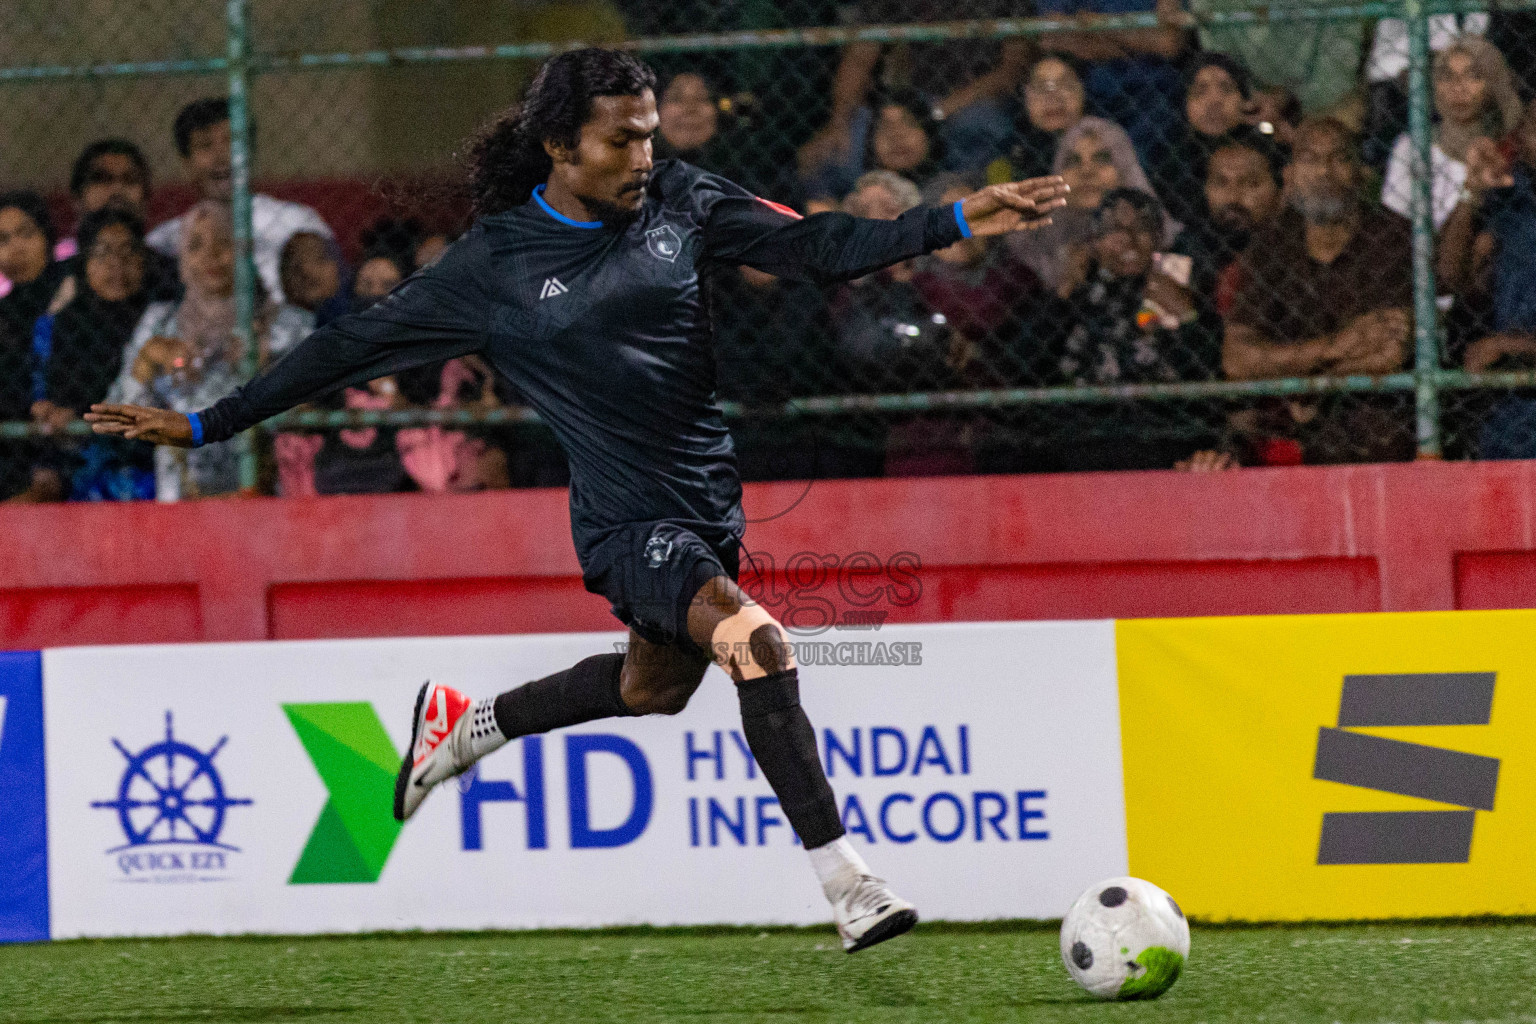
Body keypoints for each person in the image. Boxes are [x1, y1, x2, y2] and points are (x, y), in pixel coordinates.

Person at [88, 47, 1068, 951]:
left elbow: (817, 246)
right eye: (621, 137)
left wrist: (957, 217)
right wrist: (210, 423)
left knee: (654, 688)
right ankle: (851, 887)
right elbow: (345, 347)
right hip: (622, 520)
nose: (646, 151)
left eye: (649, 131)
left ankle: (469, 726)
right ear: (560, 146)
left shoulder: (683, 198)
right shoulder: (495, 264)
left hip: (704, 503)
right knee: (759, 645)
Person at [1223, 118, 1415, 465]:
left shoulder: (1393, 236)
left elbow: (1390, 350)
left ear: (1361, 174)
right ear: (1291, 176)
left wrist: (1312, 382)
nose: (1324, 172)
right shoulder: (1271, 243)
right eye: (1310, 160)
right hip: (1297, 423)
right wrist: (1336, 346)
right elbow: (1237, 358)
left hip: (1379, 421)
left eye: (1338, 159)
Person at [108, 201, 308, 500]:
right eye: (196, 245)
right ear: (181, 262)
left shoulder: (285, 324)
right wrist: (147, 361)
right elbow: (123, 412)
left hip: (265, 494)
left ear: (245, 252)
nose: (211, 255)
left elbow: (311, 412)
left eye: (224, 242)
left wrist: (267, 370)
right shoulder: (159, 324)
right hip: (181, 496)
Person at [1048, 188, 1223, 470]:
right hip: (1087, 438)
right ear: (1096, 242)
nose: (1128, 239)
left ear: (1158, 239)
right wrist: (1063, 293)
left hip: (1165, 437)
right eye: (1115, 229)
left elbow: (1208, 368)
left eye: (1142, 228)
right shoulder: (1079, 294)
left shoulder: (1175, 285)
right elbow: (1035, 362)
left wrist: (1186, 315)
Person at [797, 0, 1032, 195]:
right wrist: (838, 123)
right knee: (836, 145)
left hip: (975, 101)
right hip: (915, 103)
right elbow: (860, 55)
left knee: (980, 121)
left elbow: (1012, 70)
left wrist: (941, 111)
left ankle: (961, 199)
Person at [146, 98, 333, 304]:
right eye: (205, 145)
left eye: (233, 142)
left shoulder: (297, 221)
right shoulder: (165, 240)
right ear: (186, 163)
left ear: (251, 152)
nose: (221, 156)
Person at [30, 209, 157, 501]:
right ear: (84, 263)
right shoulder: (60, 327)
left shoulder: (160, 319)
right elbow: (45, 403)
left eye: (128, 253)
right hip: (81, 469)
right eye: (102, 253)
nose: (117, 265)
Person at [1437, 102, 1536, 457]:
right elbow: (1448, 276)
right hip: (1509, 420)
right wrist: (1472, 192)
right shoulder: (1512, 199)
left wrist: (1513, 347)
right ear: (1522, 140)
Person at [1009, 115, 1168, 293]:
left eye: (1102, 159)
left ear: (1126, 170)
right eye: (1073, 161)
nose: (1086, 172)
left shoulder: (1165, 241)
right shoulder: (1030, 243)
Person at [1381, 37, 1522, 232]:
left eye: (1473, 76)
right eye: (1447, 77)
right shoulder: (1412, 146)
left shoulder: (1513, 147)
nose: (1458, 88)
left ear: (1494, 82)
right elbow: (1397, 236)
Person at [1030, 0, 1189, 163]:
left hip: (1154, 94)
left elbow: (1167, 42)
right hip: (1087, 91)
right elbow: (1052, 38)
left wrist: (1100, 26)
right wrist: (1129, 36)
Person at [1169, 128, 1285, 308]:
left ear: (1279, 189)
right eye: (1221, 183)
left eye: (1251, 183)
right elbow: (1150, 322)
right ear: (1205, 188)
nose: (1233, 197)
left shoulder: (1296, 243)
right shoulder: (1184, 247)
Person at [1147, 52, 1255, 228]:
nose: (1214, 102)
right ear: (1185, 103)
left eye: (1226, 89)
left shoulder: (1266, 148)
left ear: (1245, 99)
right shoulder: (1166, 161)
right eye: (1199, 91)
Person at [987, 53, 1087, 184]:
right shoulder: (1007, 150)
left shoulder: (1107, 139)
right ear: (1026, 96)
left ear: (1082, 91)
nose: (1052, 97)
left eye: (1065, 84)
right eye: (1040, 87)